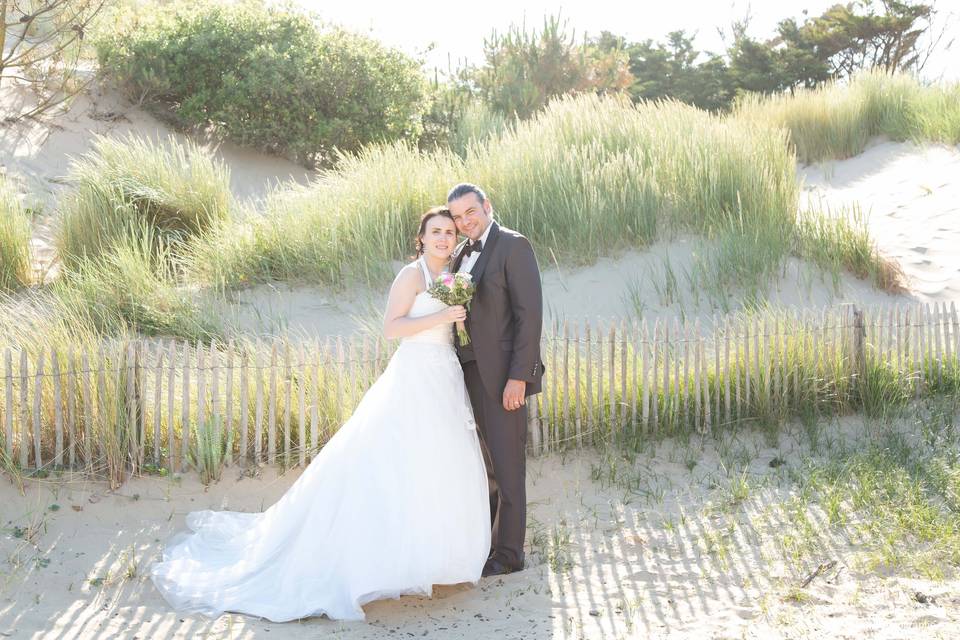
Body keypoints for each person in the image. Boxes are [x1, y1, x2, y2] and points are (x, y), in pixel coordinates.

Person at [149, 207, 490, 622]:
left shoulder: (453, 276)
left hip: (445, 375)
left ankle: (435, 557)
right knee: (391, 460)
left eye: (450, 233)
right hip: (414, 374)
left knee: (436, 463)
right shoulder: (411, 275)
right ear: (420, 238)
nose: (443, 238)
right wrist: (442, 316)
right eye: (435, 232)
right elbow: (392, 328)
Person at [447, 183, 544, 577]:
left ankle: (509, 555)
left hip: (504, 377)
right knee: (484, 465)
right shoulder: (460, 254)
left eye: (471, 211)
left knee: (507, 466)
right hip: (468, 373)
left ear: (487, 206)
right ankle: (486, 544)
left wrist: (519, 378)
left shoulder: (513, 246)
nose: (465, 220)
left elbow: (529, 317)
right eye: (457, 216)